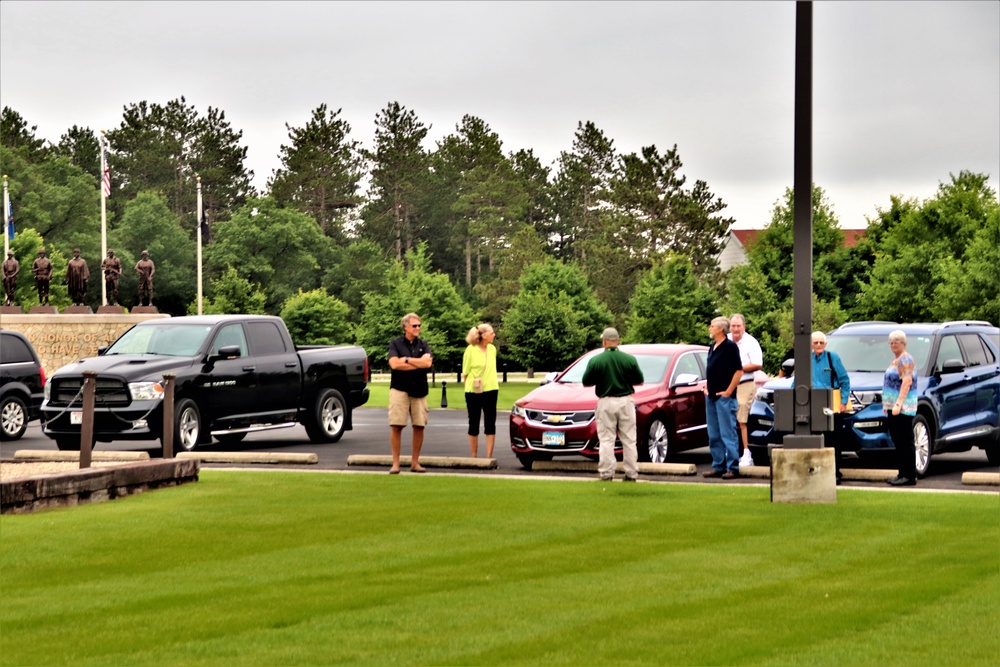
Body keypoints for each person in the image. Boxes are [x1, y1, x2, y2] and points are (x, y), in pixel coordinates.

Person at [581, 327, 645, 482]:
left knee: (606, 439)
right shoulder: (629, 359)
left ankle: (607, 473)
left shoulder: (596, 360)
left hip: (606, 401)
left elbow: (586, 382)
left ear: (604, 341)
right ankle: (631, 473)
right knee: (629, 440)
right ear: (618, 341)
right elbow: (640, 379)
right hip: (625, 400)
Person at [387, 312, 433, 474]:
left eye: (419, 325)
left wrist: (406, 360)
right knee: (396, 425)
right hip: (399, 389)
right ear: (405, 327)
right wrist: (416, 363)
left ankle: (415, 463)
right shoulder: (395, 344)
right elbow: (394, 364)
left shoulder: (424, 344)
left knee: (419, 426)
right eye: (415, 326)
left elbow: (427, 363)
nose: (418, 328)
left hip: (419, 390)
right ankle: (396, 464)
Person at [702, 316, 744, 479]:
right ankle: (718, 465)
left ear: (720, 329)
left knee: (728, 432)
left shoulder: (730, 347)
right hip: (711, 396)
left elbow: (738, 371)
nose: (710, 329)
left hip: (724, 398)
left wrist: (728, 391)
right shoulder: (713, 346)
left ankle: (732, 466)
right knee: (714, 433)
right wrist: (707, 387)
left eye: (712, 326)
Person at [810, 331, 851, 483]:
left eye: (821, 342)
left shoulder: (832, 358)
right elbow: (797, 382)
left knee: (834, 440)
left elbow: (844, 381)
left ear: (826, 344)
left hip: (832, 404)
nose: (819, 345)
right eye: (816, 342)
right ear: (811, 344)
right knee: (815, 439)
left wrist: (844, 401)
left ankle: (835, 472)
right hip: (813, 403)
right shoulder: (807, 360)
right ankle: (816, 472)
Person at [728, 313, 763, 467]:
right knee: (727, 418)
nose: (735, 329)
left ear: (744, 327)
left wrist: (738, 368)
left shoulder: (751, 342)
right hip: (727, 384)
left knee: (742, 417)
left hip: (745, 383)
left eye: (738, 326)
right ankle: (730, 452)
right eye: (733, 326)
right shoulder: (726, 340)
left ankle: (747, 453)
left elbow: (758, 364)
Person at [884, 330, 918, 486]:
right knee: (898, 440)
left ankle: (909, 475)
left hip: (903, 407)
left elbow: (907, 382)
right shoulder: (895, 360)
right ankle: (901, 473)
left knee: (905, 440)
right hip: (893, 407)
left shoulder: (906, 359)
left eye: (896, 341)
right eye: (891, 342)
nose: (893, 344)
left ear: (904, 343)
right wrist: (888, 405)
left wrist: (898, 404)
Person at [462, 323, 499, 458]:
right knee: (474, 422)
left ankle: (489, 456)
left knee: (490, 422)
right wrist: (473, 385)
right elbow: (465, 373)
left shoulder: (492, 349)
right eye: (491, 333)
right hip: (474, 391)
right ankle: (474, 456)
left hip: (491, 389)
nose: (494, 335)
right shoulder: (470, 350)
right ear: (483, 336)